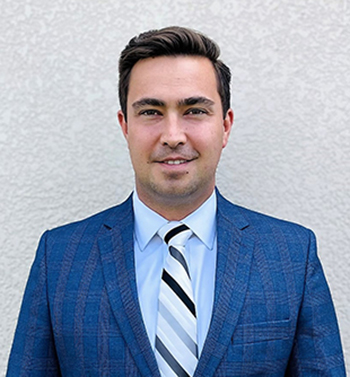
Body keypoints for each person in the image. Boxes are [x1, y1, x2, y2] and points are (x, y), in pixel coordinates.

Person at [7, 26, 345, 376]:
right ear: (125, 126)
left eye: (195, 111)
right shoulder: (60, 258)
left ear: (225, 126)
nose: (172, 136)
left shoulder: (290, 255)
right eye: (151, 112)